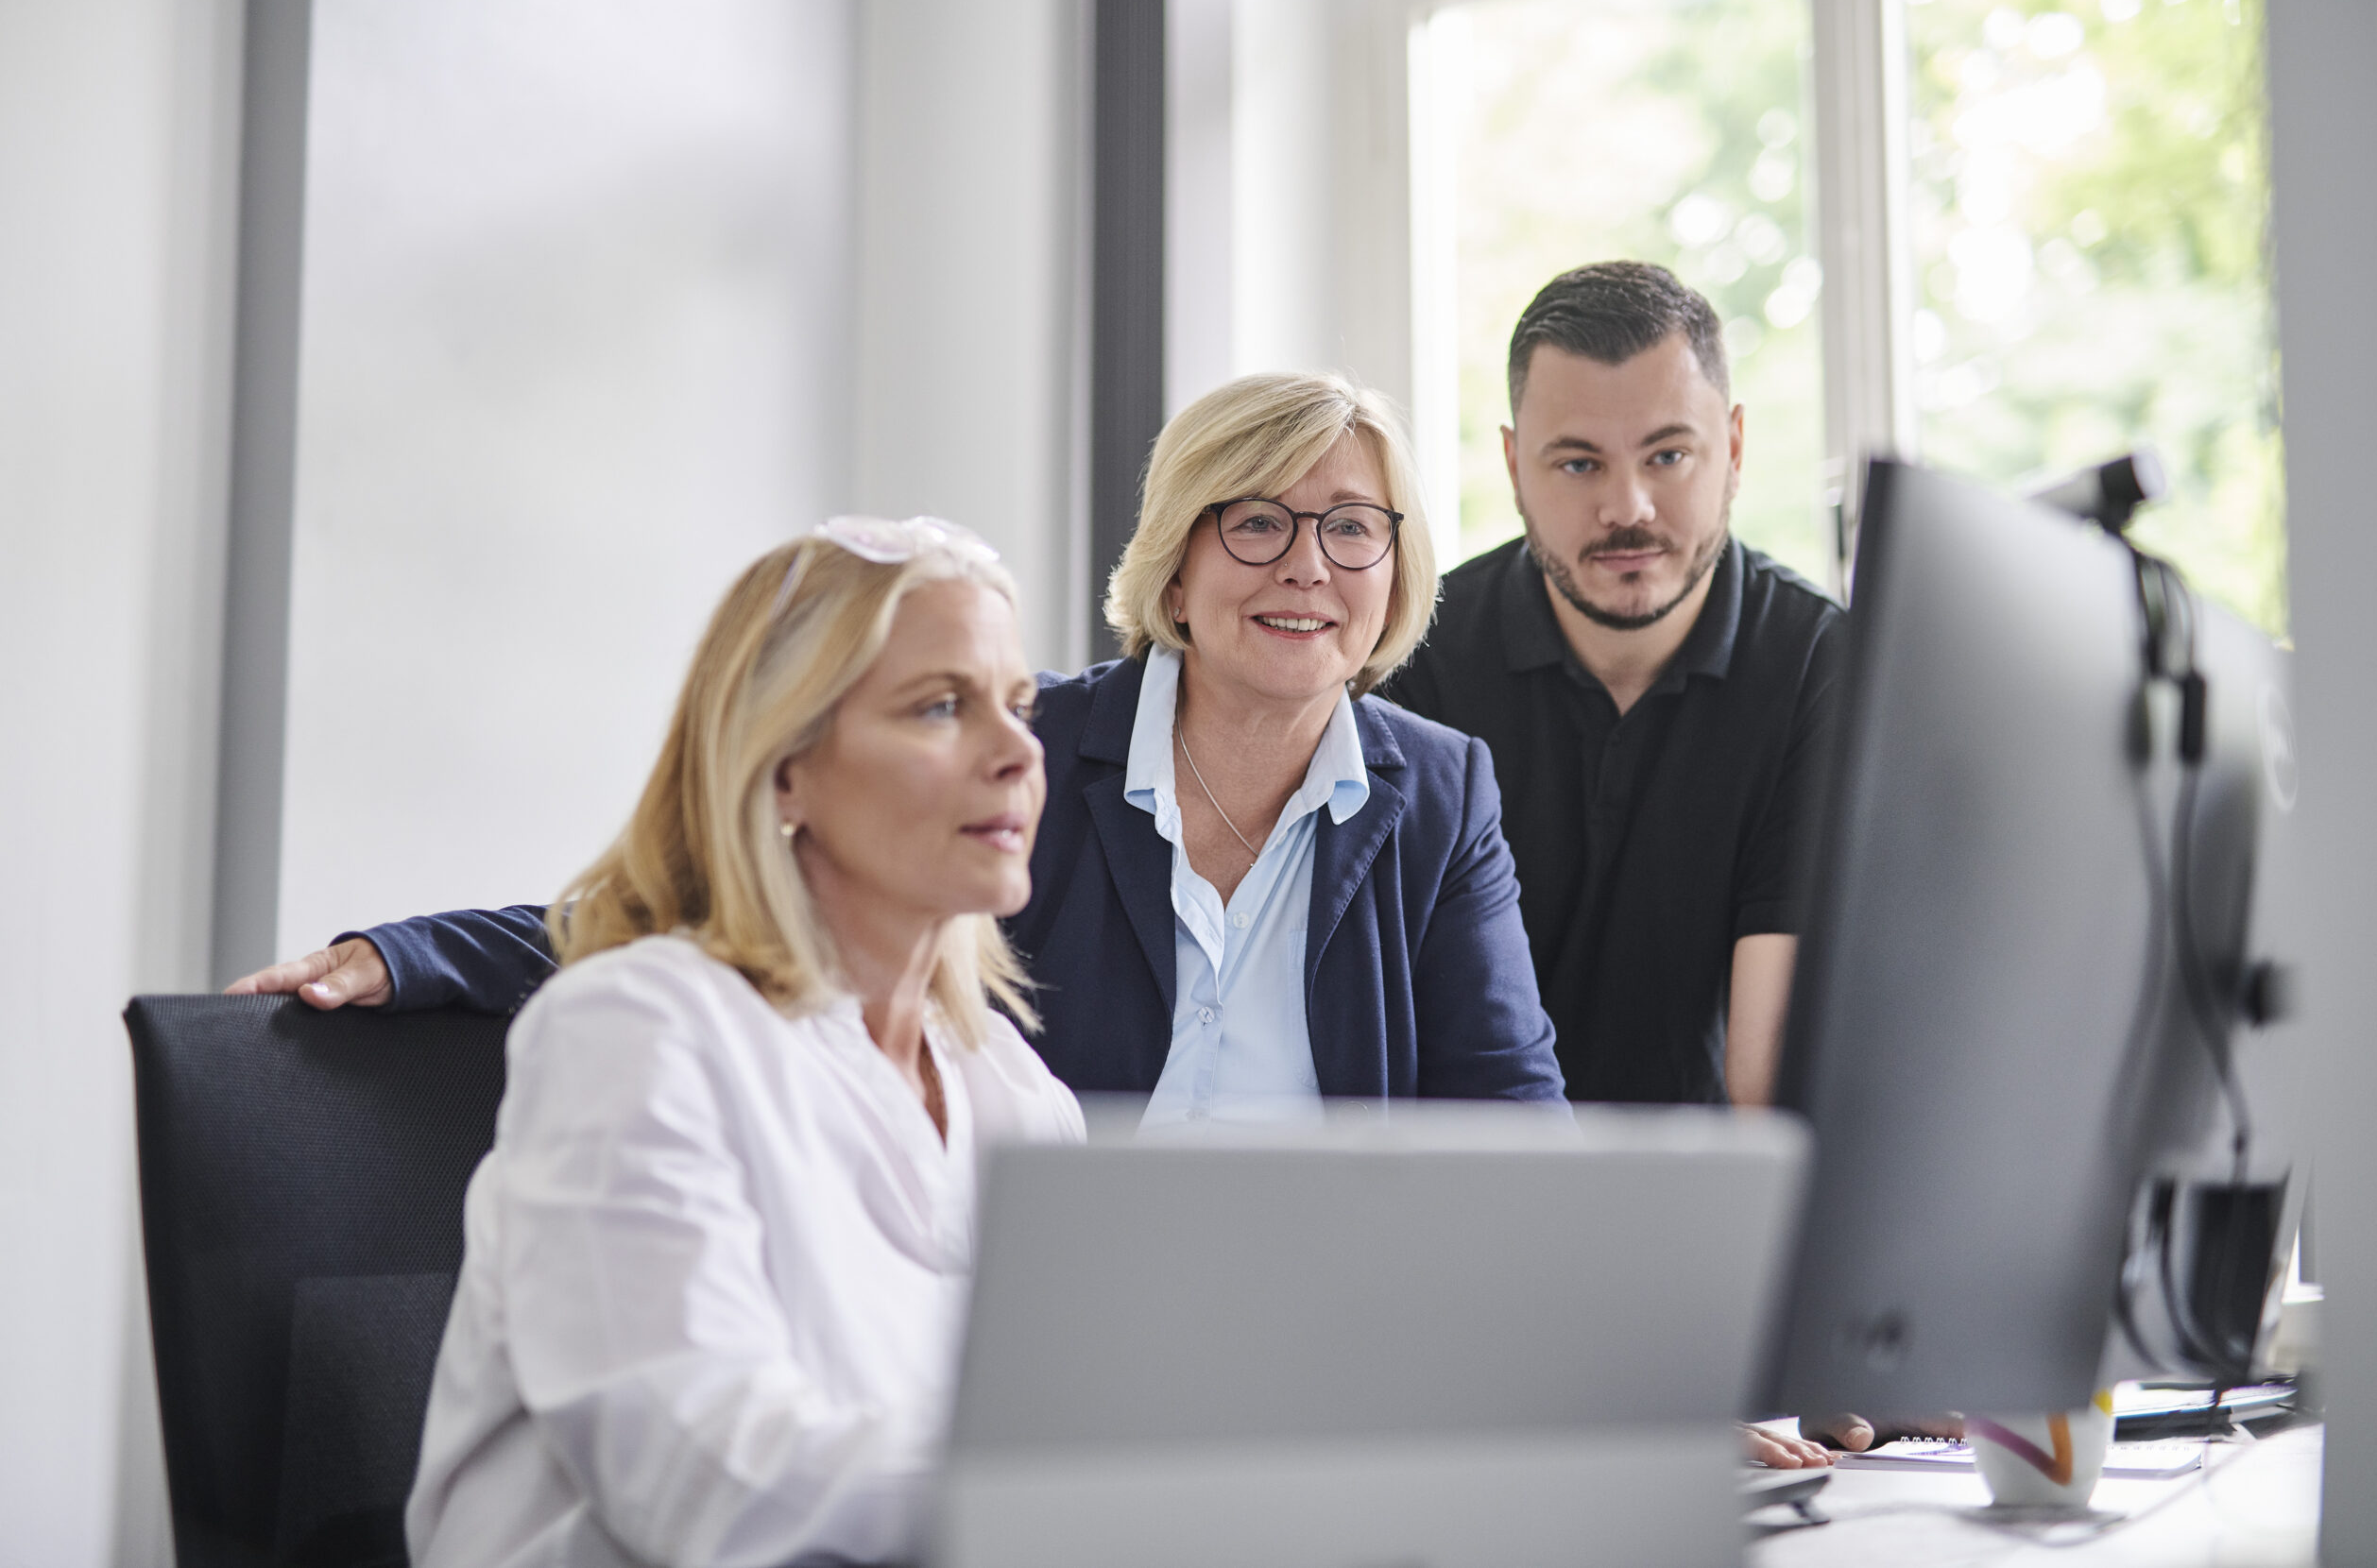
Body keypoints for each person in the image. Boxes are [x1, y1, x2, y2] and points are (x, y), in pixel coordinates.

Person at [232, 374, 1564, 1111]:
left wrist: (1643, 1368)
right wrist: (408, 954)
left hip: (1321, 1353)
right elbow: (729, 905)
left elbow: (1511, 1113)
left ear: (1397, 565)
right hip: (1025, 1334)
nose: (1309, 566)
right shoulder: (1024, 748)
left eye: (1353, 526)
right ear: (1176, 559)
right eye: (1256, 521)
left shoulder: (1438, 789)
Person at [402, 518, 1085, 1567]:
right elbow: (708, 1477)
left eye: (1019, 703)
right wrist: (1065, 1498)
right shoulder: (634, 1032)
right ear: (781, 770)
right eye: (942, 705)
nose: (1018, 751)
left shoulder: (1013, 1089)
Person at [1383, 262, 1846, 1110]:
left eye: (1668, 454)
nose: (1627, 508)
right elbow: (1403, 1039)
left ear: (1734, 449)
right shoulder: (1414, 662)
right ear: (1515, 464)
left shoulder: (1821, 665)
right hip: (1474, 1191)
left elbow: (1767, 1075)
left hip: (1709, 1197)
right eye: (1578, 464)